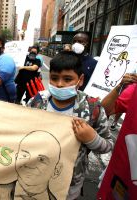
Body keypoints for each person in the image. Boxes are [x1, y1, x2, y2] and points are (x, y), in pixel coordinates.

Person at [27, 51, 114, 199]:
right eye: (54, 78)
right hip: (34, 176)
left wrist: (92, 138)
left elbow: (108, 145)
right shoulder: (37, 101)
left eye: (67, 79)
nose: (60, 84)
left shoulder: (92, 108)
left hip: (69, 184)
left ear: (80, 80)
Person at [0, 130, 63, 200]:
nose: (29, 165)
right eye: (24, 155)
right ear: (16, 158)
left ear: (56, 171)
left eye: (41, 159)